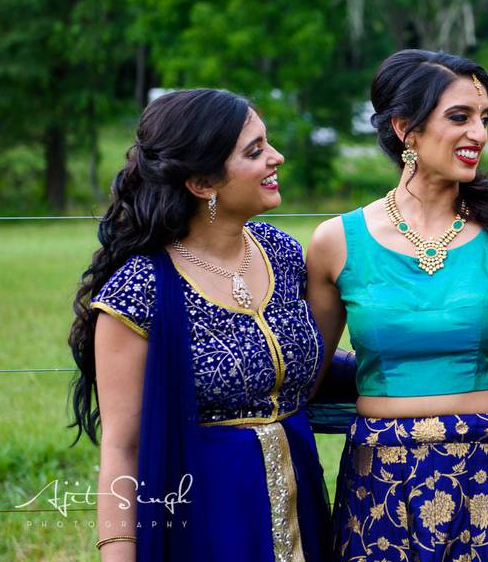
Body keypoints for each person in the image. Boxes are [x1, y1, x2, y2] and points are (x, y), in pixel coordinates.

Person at [306, 49, 488, 562]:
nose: (479, 134)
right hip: (380, 475)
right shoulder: (337, 241)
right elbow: (306, 373)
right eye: (459, 117)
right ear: (406, 129)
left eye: (484, 119)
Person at [68, 89, 331, 561]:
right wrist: (119, 553)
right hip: (205, 522)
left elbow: (294, 363)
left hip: (302, 503)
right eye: (255, 151)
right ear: (203, 184)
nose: (277, 157)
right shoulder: (141, 291)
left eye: (267, 143)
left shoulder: (283, 252)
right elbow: (122, 451)